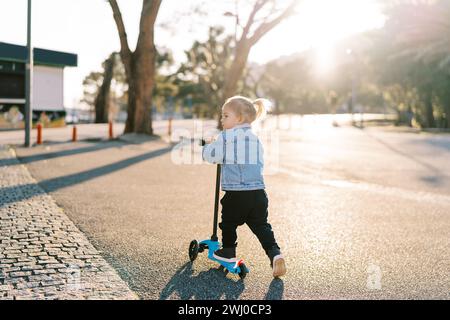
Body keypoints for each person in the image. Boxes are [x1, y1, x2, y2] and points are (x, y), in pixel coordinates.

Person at [202, 96, 286, 278]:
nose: (222, 120)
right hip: (258, 193)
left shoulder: (226, 137)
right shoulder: (255, 138)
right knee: (261, 226)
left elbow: (213, 156)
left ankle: (228, 251)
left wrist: (207, 147)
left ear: (239, 119)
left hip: (237, 193)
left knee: (228, 222)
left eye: (225, 116)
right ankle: (274, 253)